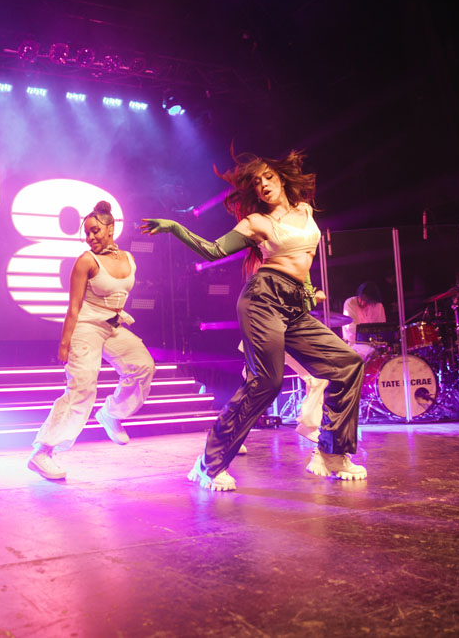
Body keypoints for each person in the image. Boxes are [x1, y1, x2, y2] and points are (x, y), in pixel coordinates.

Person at [142, 150, 366, 491]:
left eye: (268, 177)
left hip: (294, 304)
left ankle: (331, 453)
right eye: (257, 183)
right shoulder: (256, 223)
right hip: (263, 299)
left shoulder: (305, 211)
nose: (263, 185)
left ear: (282, 178)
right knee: (267, 381)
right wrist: (175, 227)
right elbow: (213, 250)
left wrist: (308, 292)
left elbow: (303, 258)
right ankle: (208, 464)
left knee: (348, 364)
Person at [28, 201, 156, 480]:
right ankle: (42, 452)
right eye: (86, 233)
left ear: (111, 228)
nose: (90, 237)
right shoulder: (86, 260)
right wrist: (65, 344)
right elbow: (73, 307)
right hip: (86, 327)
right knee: (82, 389)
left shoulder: (129, 259)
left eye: (95, 231)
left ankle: (111, 414)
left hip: (113, 326)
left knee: (143, 366)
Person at [342, 281, 387, 359]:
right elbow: (353, 328)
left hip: (373, 346)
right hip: (354, 346)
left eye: (366, 301)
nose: (362, 303)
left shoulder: (378, 306)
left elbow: (382, 329)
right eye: (361, 299)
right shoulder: (350, 303)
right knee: (372, 352)